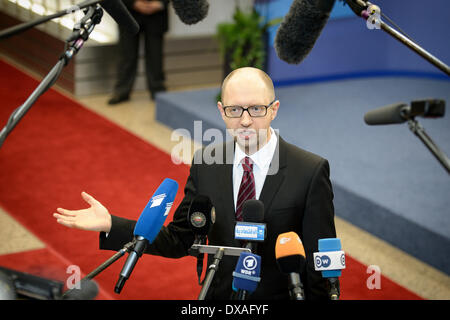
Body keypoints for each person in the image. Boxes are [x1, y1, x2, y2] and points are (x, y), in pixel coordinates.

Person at [53, 67, 337, 300]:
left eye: (257, 109)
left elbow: (319, 266)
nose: (246, 121)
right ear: (221, 111)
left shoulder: (309, 171)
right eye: (235, 110)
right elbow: (179, 239)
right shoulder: (206, 163)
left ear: (274, 110)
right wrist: (111, 225)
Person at [108, 0, 168, 105]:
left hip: (157, 16)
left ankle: (158, 90)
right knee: (127, 55)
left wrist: (161, 3)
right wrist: (133, 3)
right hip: (128, 13)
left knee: (155, 56)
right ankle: (122, 91)